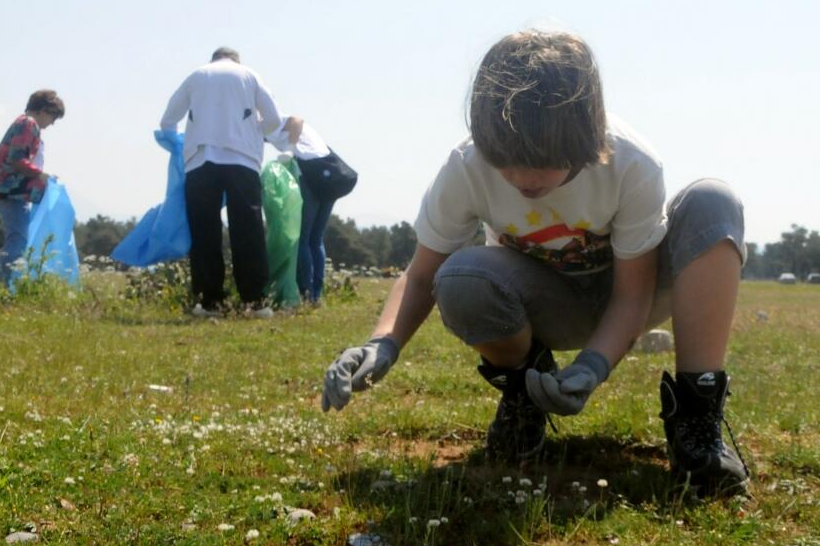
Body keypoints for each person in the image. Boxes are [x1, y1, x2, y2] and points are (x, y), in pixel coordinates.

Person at [322, 30, 749, 496]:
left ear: (588, 134)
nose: (524, 178)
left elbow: (633, 294)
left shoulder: (631, 163)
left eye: (545, 162)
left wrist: (593, 366)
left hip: (631, 298)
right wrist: (382, 343)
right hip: (545, 305)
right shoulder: (465, 167)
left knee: (713, 201)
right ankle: (525, 390)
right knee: (461, 278)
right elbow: (422, 274)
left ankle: (697, 419)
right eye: (506, 160)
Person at [160, 46, 284, 318]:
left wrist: (178, 143)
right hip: (242, 160)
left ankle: (209, 302)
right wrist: (254, 129)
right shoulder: (250, 75)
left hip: (201, 160)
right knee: (248, 231)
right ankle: (255, 302)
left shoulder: (197, 75)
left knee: (205, 232)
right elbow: (274, 120)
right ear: (237, 60)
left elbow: (168, 119)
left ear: (212, 59)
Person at [0, 90, 65, 294]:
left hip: (9, 191)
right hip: (10, 190)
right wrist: (42, 175)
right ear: (44, 110)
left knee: (17, 239)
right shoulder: (29, 124)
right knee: (17, 241)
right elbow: (18, 159)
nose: (52, 123)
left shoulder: (24, 123)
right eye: (53, 117)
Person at [267, 117, 357, 303]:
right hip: (330, 178)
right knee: (316, 239)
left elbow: (296, 120)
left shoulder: (277, 120)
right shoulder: (272, 128)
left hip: (312, 177)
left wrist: (290, 150)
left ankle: (306, 292)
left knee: (304, 239)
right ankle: (316, 294)